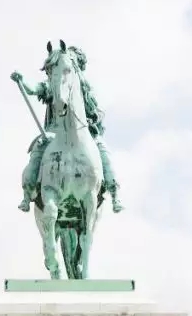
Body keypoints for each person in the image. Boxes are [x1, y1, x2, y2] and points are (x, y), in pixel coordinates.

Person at [11, 44, 123, 213]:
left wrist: (92, 125)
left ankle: (114, 191)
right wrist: (22, 81)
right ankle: (28, 191)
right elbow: (33, 89)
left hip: (85, 133)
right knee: (37, 150)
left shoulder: (84, 89)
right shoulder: (54, 84)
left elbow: (95, 113)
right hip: (54, 133)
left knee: (103, 152)